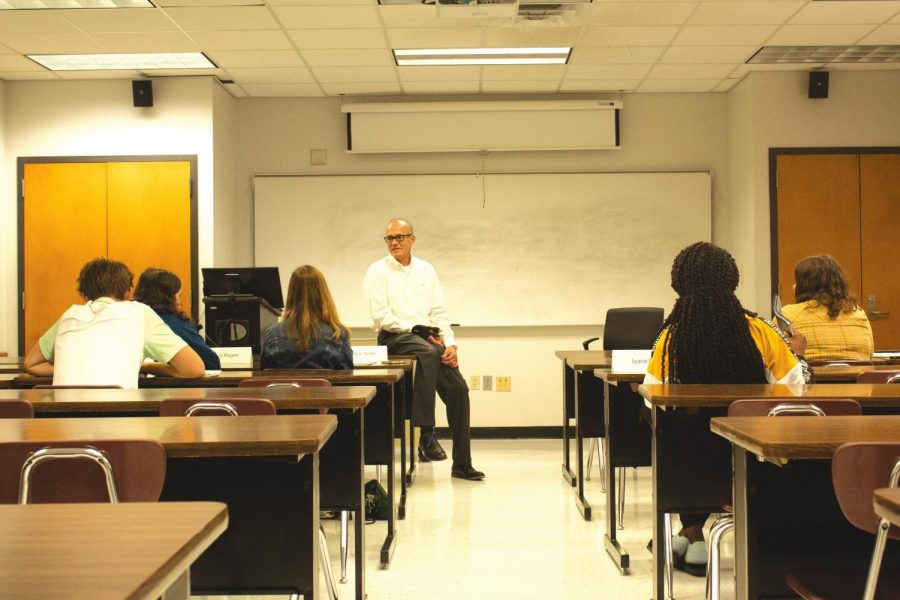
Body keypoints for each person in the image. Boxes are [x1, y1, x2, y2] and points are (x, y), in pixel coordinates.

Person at [643, 242, 808, 576]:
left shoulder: (672, 337)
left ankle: (690, 534)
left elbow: (652, 396)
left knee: (672, 427)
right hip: (755, 464)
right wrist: (800, 355)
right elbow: (796, 386)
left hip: (692, 477)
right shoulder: (761, 330)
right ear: (732, 278)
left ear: (679, 283)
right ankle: (690, 538)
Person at [364, 218, 484, 481]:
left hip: (427, 340)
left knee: (459, 390)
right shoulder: (377, 271)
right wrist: (418, 330)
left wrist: (450, 344)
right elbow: (381, 318)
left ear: (412, 239)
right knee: (428, 353)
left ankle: (462, 464)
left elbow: (440, 312)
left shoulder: (426, 270)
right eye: (389, 238)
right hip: (394, 337)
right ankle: (426, 433)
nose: (394, 243)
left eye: (400, 237)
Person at [24, 257, 205, 389]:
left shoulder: (70, 315)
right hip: (119, 424)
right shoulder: (139, 313)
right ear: (129, 292)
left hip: (64, 429)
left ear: (84, 294)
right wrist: (147, 366)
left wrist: (70, 368)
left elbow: (31, 364)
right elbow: (194, 369)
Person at [781, 254, 874, 362]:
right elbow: (870, 354)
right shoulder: (857, 312)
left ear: (805, 285)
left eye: (797, 281)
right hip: (857, 378)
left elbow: (774, 358)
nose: (793, 286)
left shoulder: (786, 315)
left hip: (809, 378)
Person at [260, 265, 353, 370]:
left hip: (284, 387)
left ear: (292, 293)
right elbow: (348, 377)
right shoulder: (337, 336)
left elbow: (264, 376)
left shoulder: (272, 334)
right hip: (326, 387)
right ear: (323, 294)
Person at [134, 268, 221, 371]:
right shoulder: (178, 326)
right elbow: (212, 362)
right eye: (179, 296)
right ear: (169, 298)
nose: (180, 301)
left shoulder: (130, 319)